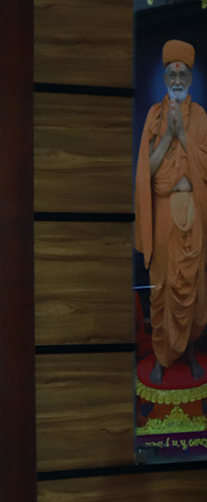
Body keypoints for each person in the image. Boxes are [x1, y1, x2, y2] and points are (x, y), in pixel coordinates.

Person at [135, 38, 207, 386]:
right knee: (162, 286)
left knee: (191, 285)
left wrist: (185, 137)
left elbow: (205, 166)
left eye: (183, 74)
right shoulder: (154, 115)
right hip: (164, 210)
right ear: (165, 78)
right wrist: (169, 137)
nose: (177, 79)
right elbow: (145, 172)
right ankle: (162, 356)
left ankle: (190, 352)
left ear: (190, 78)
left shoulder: (201, 117)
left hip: (193, 208)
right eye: (172, 74)